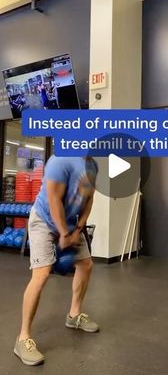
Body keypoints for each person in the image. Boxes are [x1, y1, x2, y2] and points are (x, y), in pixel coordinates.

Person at [14, 155, 99, 366]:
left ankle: (74, 315)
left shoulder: (92, 165)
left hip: (70, 224)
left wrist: (78, 228)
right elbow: (53, 200)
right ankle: (23, 338)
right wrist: (63, 234)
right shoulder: (60, 160)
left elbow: (89, 199)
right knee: (42, 273)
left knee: (86, 265)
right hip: (43, 219)